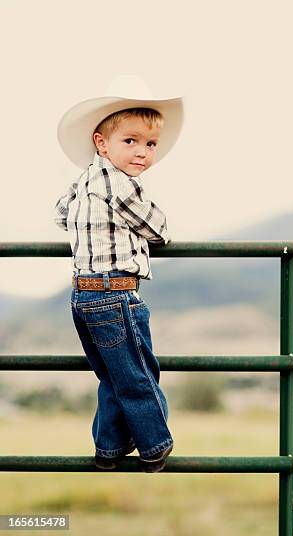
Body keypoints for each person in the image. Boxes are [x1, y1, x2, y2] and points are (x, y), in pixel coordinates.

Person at [53, 75, 184, 472]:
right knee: (139, 373)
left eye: (150, 144)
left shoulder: (84, 181)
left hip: (84, 294)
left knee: (113, 374)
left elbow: (60, 215)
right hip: (115, 293)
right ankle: (154, 444)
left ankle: (108, 449)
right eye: (130, 141)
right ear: (102, 142)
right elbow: (158, 228)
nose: (142, 153)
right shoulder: (118, 183)